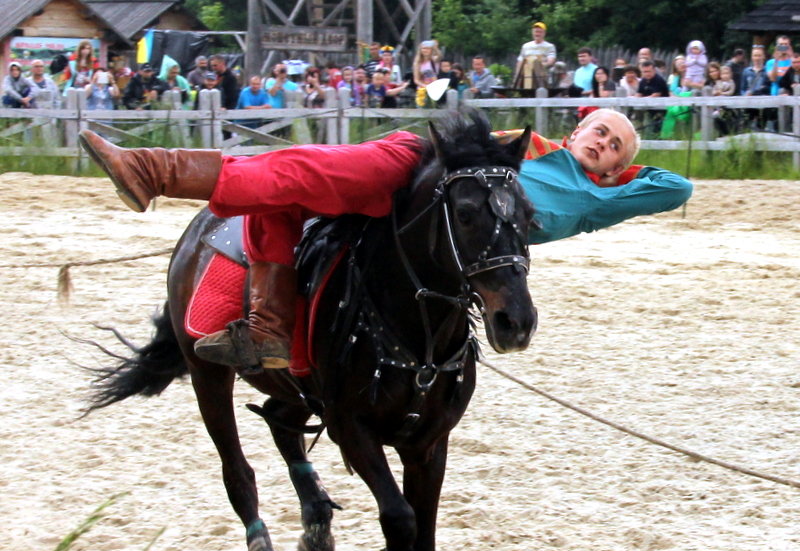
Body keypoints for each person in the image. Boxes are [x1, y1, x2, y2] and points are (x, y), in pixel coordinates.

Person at [78, 109, 691, 371]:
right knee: (291, 175)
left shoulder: (593, 196)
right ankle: (266, 319)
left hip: (433, 213)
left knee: (289, 175)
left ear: (615, 168)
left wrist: (620, 175)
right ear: (578, 125)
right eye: (597, 130)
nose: (601, 142)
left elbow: (677, 186)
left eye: (613, 146)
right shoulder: (522, 150)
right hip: (417, 165)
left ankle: (155, 172)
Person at [514, 21, 556, 90]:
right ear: (532, 33)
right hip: (526, 75)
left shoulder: (549, 46)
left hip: (541, 75)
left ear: (544, 33)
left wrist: (538, 65)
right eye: (536, 31)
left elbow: (551, 61)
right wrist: (517, 76)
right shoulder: (526, 46)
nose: (537, 34)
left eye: (540, 32)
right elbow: (520, 62)